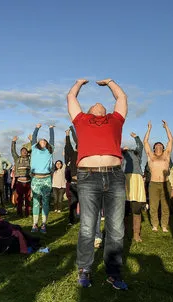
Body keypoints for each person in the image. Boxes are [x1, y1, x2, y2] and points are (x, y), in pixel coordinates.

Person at [67, 78, 128, 290]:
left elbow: (121, 97)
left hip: (114, 175)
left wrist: (111, 82)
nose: (98, 103)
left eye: (102, 104)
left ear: (106, 111)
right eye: (94, 104)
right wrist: (78, 83)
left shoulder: (115, 120)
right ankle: (84, 269)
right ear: (89, 110)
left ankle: (113, 272)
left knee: (116, 228)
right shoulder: (82, 120)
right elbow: (71, 97)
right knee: (87, 225)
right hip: (88, 176)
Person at [143, 120, 173, 232]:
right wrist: (149, 129)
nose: (159, 146)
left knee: (166, 206)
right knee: (154, 205)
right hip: (154, 184)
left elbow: (171, 140)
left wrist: (166, 127)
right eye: (157, 145)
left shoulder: (166, 155)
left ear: (163, 148)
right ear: (154, 147)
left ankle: (164, 225)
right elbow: (145, 142)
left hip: (166, 184)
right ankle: (155, 225)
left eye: (161, 145)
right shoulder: (151, 156)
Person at [30, 124, 55, 232]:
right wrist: (37, 128)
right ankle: (35, 224)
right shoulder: (34, 149)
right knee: (35, 201)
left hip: (46, 178)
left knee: (45, 202)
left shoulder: (50, 151)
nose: (43, 142)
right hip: (36, 178)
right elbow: (34, 137)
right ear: (38, 144)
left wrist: (51, 129)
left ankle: (44, 224)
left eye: (45, 141)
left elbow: (52, 139)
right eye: (41, 141)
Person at [123, 130, 147, 242]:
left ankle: (136, 234)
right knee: (125, 208)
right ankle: (124, 233)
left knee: (136, 208)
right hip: (125, 179)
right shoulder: (121, 155)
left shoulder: (137, 154)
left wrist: (136, 137)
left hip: (137, 179)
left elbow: (140, 146)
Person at [11, 135, 31, 217]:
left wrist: (31, 140)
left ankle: (27, 213)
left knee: (28, 198)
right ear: (20, 152)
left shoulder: (30, 159)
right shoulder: (17, 159)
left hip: (28, 182)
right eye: (22, 151)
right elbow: (13, 151)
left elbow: (34, 149)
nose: (24, 152)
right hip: (19, 182)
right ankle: (19, 213)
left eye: (25, 151)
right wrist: (13, 142)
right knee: (19, 199)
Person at [65, 127, 79, 224]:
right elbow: (68, 146)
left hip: (84, 183)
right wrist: (67, 136)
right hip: (74, 183)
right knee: (73, 202)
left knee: (85, 203)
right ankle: (71, 219)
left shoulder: (86, 157)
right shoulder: (73, 154)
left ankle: (85, 220)